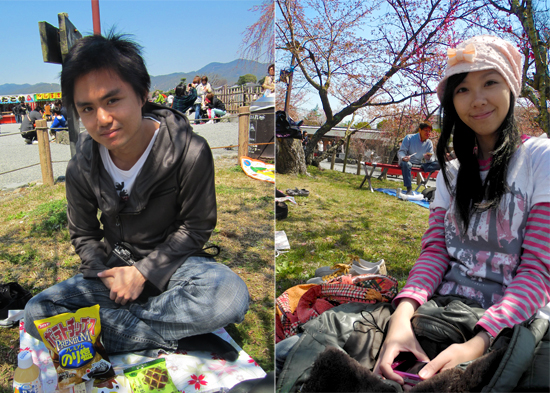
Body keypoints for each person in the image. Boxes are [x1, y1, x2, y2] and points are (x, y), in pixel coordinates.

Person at [23, 32, 250, 357]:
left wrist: (144, 273)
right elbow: (84, 234)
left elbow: (196, 227)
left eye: (112, 100)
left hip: (176, 268)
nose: (102, 119)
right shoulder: (81, 166)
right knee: (37, 312)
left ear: (142, 94)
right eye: (87, 108)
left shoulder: (189, 152)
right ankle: (174, 334)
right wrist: (107, 274)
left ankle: (110, 335)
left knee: (229, 293)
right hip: (115, 270)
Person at [374, 35, 550, 387]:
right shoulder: (450, 174)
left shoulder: (540, 159)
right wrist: (401, 318)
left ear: (512, 88)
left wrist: (478, 343)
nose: (478, 99)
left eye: (490, 82)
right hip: (441, 310)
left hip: (511, 322)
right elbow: (435, 252)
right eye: (463, 89)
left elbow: (540, 270)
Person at [398, 123, 440, 195]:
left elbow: (431, 158)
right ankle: (409, 189)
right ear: (419, 130)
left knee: (440, 164)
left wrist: (429, 158)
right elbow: (401, 152)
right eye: (426, 130)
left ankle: (439, 190)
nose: (428, 133)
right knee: (406, 164)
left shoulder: (429, 143)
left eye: (429, 131)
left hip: (419, 164)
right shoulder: (409, 138)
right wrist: (403, 157)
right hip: (407, 162)